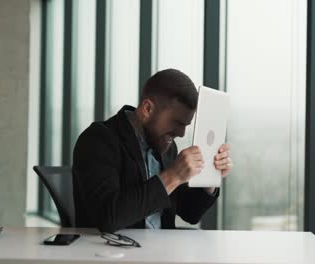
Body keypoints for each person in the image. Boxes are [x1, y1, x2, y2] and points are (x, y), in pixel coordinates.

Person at [72, 69, 233, 232]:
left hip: (159, 250)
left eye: (185, 125)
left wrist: (210, 179)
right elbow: (108, 217)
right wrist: (173, 176)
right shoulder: (98, 140)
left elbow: (189, 213)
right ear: (147, 109)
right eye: (177, 122)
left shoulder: (165, 144)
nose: (181, 133)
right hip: (113, 251)